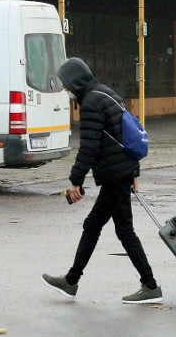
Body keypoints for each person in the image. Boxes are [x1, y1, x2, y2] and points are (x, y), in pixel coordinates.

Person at [42, 57, 162, 304]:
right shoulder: (105, 93)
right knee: (92, 225)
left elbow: (89, 147)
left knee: (124, 231)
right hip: (119, 173)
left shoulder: (91, 103)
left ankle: (150, 286)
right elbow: (129, 133)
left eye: (67, 86)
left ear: (75, 81)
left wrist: (75, 180)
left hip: (115, 175)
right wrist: (134, 172)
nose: (66, 92)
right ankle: (71, 281)